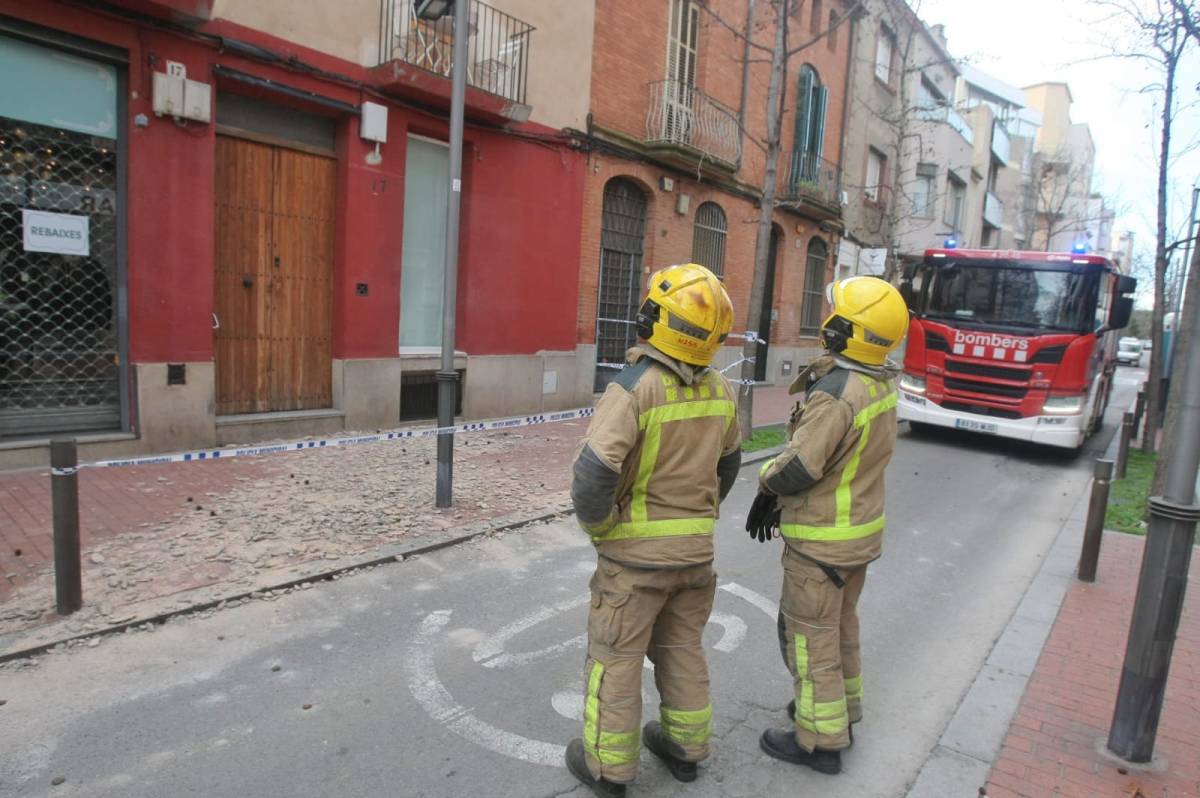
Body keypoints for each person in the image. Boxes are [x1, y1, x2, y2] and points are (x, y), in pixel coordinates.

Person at [565, 262, 742, 797]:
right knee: (683, 649)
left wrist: (603, 528)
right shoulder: (720, 389)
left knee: (615, 661)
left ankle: (609, 769)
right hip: (694, 557)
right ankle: (687, 750)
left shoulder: (632, 388)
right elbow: (729, 465)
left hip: (634, 563)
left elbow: (593, 474)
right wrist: (696, 519)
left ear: (653, 320)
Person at [746, 276, 908, 775]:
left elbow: (799, 466)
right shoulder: (879, 380)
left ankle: (819, 741)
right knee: (840, 630)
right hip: (858, 538)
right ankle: (843, 712)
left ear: (845, 331)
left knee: (809, 638)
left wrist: (766, 483)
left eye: (835, 313)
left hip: (821, 544)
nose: (826, 318)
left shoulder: (839, 391)